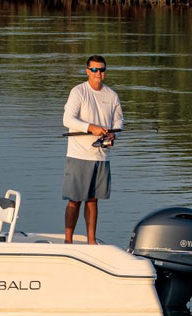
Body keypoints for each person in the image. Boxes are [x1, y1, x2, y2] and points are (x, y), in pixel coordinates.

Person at [62, 55, 124, 244]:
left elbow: (119, 122)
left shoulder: (112, 96)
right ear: (88, 71)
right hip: (79, 155)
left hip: (101, 155)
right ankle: (68, 241)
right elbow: (68, 120)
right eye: (95, 70)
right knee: (75, 200)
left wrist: (113, 134)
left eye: (102, 70)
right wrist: (91, 128)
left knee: (93, 200)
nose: (98, 73)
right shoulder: (78, 92)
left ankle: (91, 241)